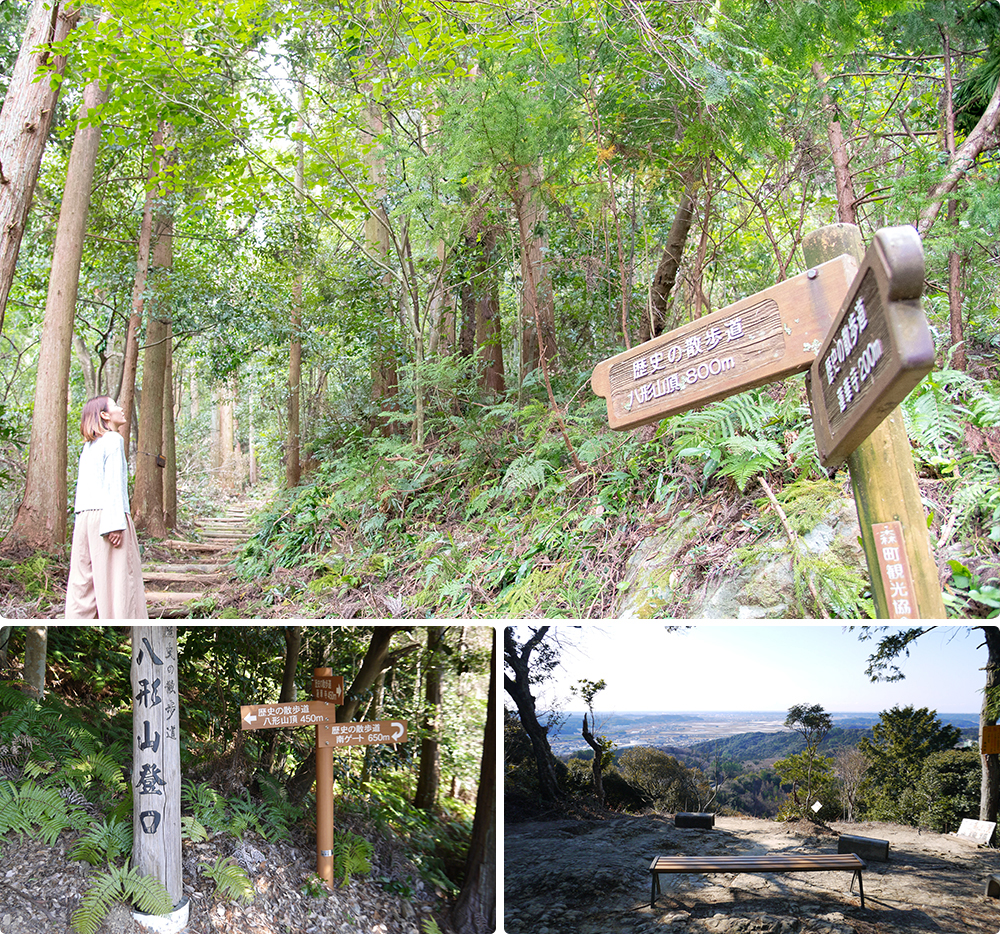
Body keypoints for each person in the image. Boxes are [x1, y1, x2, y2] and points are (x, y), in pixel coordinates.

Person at [64, 396, 148, 619]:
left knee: (83, 587)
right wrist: (115, 524)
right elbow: (113, 483)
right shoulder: (113, 439)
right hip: (107, 516)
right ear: (104, 415)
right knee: (119, 583)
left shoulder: (89, 446)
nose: (121, 409)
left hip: (84, 518)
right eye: (115, 406)